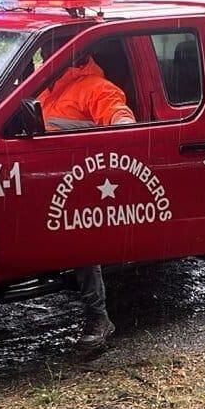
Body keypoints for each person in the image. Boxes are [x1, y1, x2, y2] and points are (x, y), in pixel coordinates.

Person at [38, 55, 136, 350]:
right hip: (47, 178)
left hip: (82, 182)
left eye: (50, 49)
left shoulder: (96, 87)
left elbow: (124, 124)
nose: (44, 57)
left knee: (80, 242)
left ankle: (99, 318)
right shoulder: (49, 87)